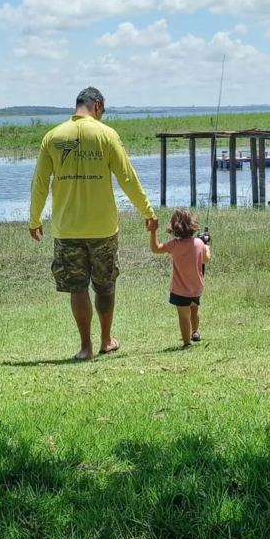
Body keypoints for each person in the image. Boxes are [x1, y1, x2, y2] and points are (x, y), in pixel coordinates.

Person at [29, 86, 159, 360]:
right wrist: (147, 213)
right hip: (103, 228)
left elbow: (40, 184)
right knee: (105, 285)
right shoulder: (107, 135)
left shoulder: (52, 137)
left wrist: (35, 219)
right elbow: (127, 178)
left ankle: (85, 347)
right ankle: (106, 340)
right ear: (97, 106)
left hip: (67, 228)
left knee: (77, 287)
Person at [149, 207, 211, 350]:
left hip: (180, 289)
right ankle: (195, 332)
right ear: (193, 225)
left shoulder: (174, 245)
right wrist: (207, 245)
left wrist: (153, 232)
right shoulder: (199, 243)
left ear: (174, 227)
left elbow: (155, 248)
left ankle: (187, 344)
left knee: (184, 316)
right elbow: (206, 259)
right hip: (196, 287)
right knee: (194, 307)